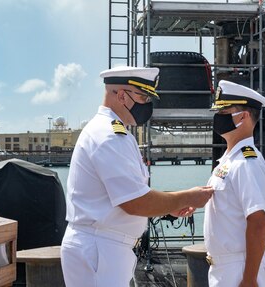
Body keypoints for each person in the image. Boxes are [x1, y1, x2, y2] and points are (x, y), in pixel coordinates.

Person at [60, 66, 214, 287]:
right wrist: (188, 197)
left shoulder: (114, 132)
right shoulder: (110, 136)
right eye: (142, 96)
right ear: (122, 95)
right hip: (100, 249)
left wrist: (167, 206)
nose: (147, 104)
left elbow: (133, 194)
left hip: (104, 247)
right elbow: (135, 203)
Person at [204, 80, 265, 287]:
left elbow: (258, 222)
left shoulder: (246, 163)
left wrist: (250, 278)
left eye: (224, 113)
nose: (218, 117)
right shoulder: (229, 161)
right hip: (225, 268)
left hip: (241, 267)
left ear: (243, 116)